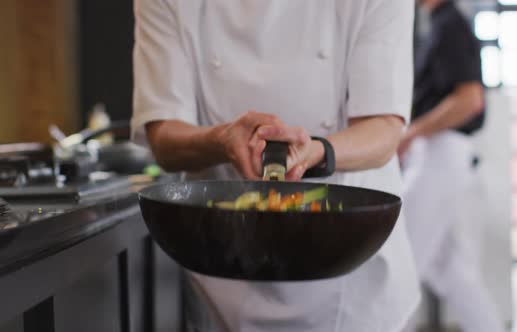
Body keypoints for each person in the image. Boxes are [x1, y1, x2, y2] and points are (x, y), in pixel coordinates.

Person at [131, 1, 420, 331]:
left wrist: (317, 151)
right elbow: (165, 139)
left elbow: (383, 130)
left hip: (351, 272)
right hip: (223, 269)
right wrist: (222, 139)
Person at [399, 0, 505, 331]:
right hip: (438, 155)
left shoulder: (450, 24)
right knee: (450, 270)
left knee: (401, 262)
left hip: (440, 155)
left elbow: (469, 100)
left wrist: (410, 133)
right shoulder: (439, 24)